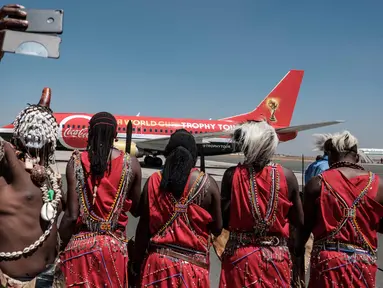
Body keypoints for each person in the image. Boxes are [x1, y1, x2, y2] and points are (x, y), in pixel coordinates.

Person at [58, 112, 142, 288]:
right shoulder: (131, 164)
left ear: (89, 134)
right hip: (114, 250)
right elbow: (136, 209)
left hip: (79, 249)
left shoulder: (76, 161)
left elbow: (71, 216)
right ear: (115, 136)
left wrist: (63, 244)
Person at [131, 129, 222, 287]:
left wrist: (136, 263)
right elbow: (218, 228)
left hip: (157, 268)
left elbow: (143, 229)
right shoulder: (208, 184)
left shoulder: (154, 181)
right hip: (192, 271)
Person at [219, 120, 304, 287]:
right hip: (276, 259)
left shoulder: (231, 175)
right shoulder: (287, 177)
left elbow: (223, 221)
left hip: (240, 258)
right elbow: (299, 221)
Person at [298, 131, 383, 287]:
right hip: (362, 265)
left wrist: (296, 259)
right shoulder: (378, 185)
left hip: (327, 265)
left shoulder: (317, 183)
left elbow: (304, 229)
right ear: (357, 158)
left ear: (331, 157)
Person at [0, 88, 65, 287]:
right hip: (15, 280)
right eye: (32, 127)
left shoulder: (51, 176)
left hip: (49, 275)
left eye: (42, 128)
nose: (36, 135)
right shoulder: (9, 164)